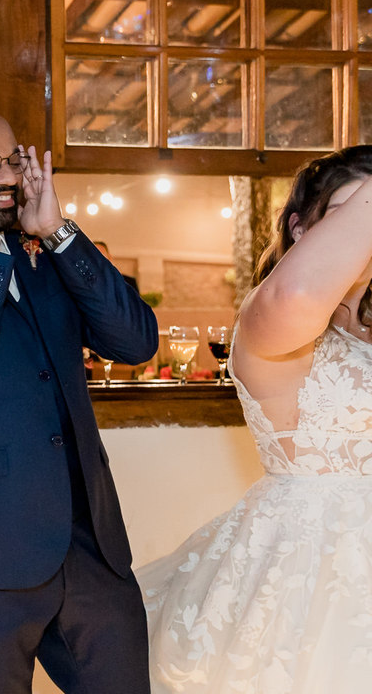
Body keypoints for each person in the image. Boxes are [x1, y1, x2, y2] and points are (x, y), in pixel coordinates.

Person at [0, 105, 158, 694]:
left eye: (13, 161)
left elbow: (135, 343)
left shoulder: (44, 245)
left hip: (90, 548)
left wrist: (60, 233)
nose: (8, 178)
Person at [140, 146, 372, 693]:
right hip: (314, 566)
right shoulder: (270, 321)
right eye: (347, 215)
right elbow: (298, 290)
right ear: (300, 228)